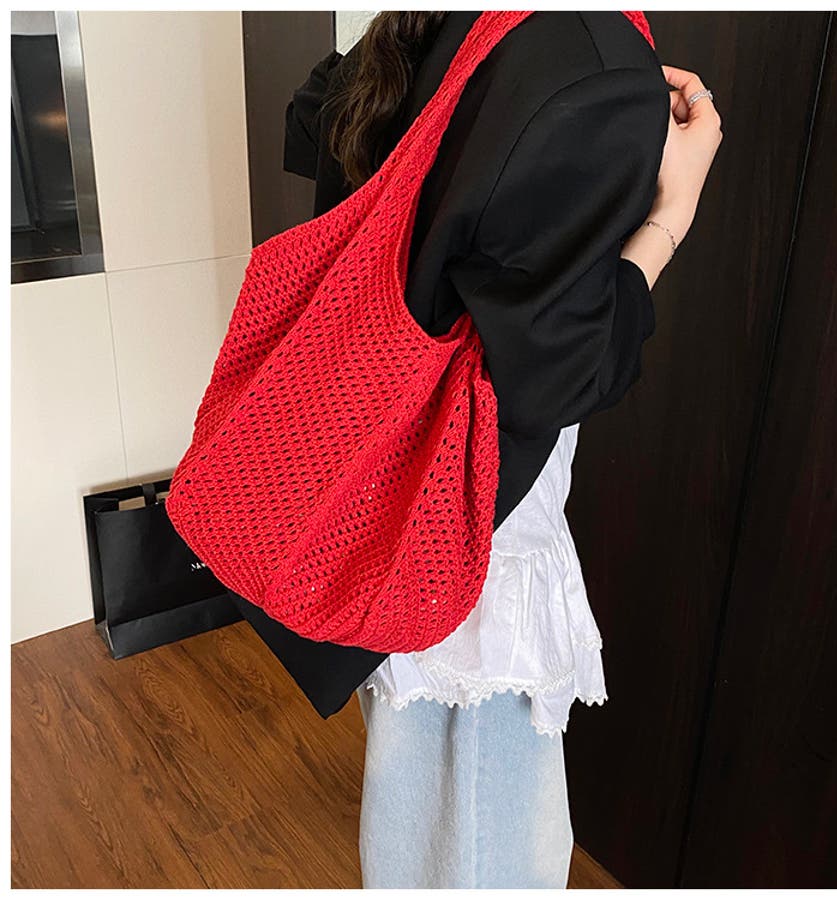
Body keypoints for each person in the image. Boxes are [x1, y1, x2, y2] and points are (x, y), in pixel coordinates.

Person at [275, 10, 722, 890]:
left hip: (384, 503)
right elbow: (561, 373)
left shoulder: (440, 23)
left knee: (423, 833)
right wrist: (671, 214)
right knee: (480, 852)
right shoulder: (592, 56)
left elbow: (313, 118)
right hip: (472, 544)